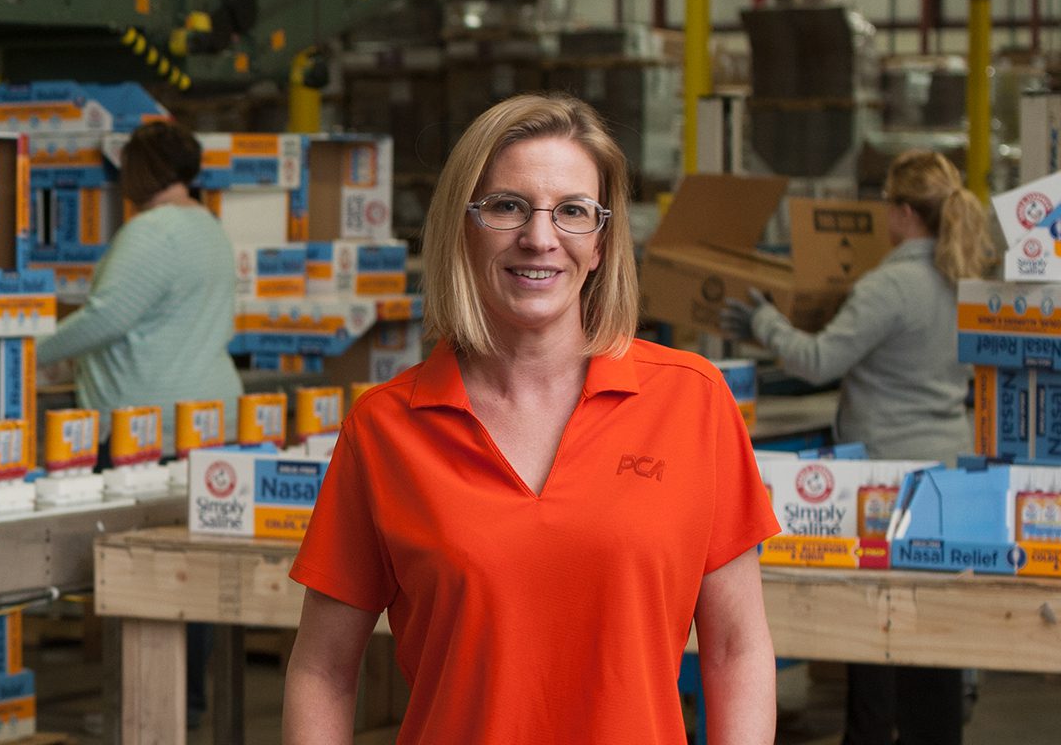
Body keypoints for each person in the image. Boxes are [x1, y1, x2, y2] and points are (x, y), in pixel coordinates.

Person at [283, 93, 781, 744]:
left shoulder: (692, 402)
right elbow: (322, 670)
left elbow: (735, 651)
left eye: (573, 211)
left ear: (601, 242)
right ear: (465, 225)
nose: (540, 238)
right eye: (507, 206)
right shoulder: (384, 430)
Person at [719, 149, 997, 745]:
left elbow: (818, 360)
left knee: (872, 623)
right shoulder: (966, 275)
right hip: (949, 466)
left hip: (887, 480)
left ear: (900, 213)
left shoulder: (891, 284)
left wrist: (763, 321)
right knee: (934, 629)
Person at [35, 119, 242, 728]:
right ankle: (187, 702)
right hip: (205, 415)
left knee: (145, 571)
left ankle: (153, 711)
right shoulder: (205, 225)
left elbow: (106, 317)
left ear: (140, 172)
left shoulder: (152, 232)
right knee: (191, 566)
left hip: (148, 424)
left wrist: (25, 350)